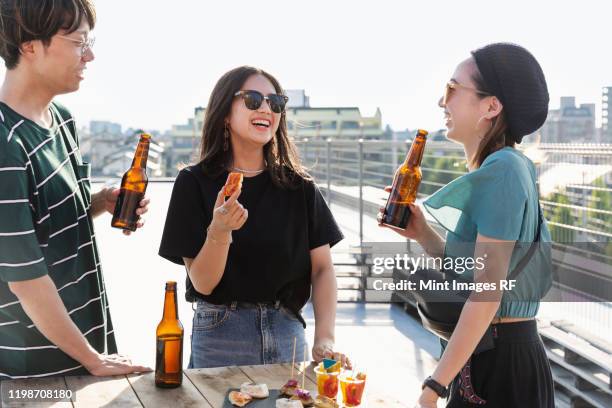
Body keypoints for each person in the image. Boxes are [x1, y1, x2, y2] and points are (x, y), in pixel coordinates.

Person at [380, 43, 554, 407]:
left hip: (500, 366)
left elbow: (487, 294)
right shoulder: (507, 166)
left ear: (491, 106)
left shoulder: (503, 170)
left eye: (452, 90)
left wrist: (434, 385)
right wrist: (424, 234)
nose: (442, 102)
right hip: (494, 357)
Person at [159, 66, 351, 369]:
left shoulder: (300, 187)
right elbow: (204, 284)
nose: (266, 108)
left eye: (275, 102)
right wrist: (219, 231)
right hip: (221, 333)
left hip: (288, 331)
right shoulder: (193, 182)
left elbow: (323, 269)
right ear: (224, 112)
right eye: (252, 99)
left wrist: (324, 338)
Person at [0, 0, 150, 378]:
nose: (91, 55)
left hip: (82, 350)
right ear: (29, 45)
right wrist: (92, 359)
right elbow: (25, 279)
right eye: (79, 42)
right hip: (32, 371)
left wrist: (100, 202)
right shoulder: (5, 141)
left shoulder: (61, 120)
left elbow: (43, 220)